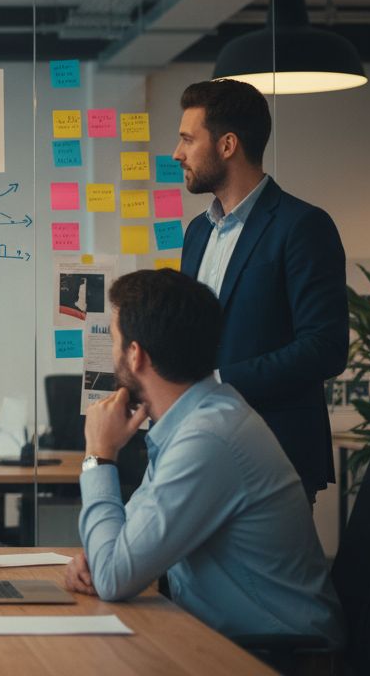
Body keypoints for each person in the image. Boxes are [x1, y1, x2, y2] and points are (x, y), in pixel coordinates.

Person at [64, 270, 344, 647]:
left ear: (135, 354)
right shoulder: (199, 420)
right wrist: (102, 557)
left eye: (114, 341)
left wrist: (99, 456)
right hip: (226, 640)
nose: (112, 355)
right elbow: (126, 546)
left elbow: (114, 575)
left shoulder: (207, 439)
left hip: (275, 654)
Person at [174, 79, 347, 503]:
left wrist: (218, 382)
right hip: (200, 451)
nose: (178, 153)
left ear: (227, 145)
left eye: (187, 139)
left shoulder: (302, 226)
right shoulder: (197, 233)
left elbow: (325, 347)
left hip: (274, 455)